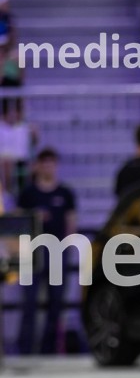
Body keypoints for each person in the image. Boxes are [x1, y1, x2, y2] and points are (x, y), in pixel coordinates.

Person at [17, 149, 76, 355]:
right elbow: (18, 221)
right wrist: (34, 217)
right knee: (29, 302)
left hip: (56, 249)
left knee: (56, 303)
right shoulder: (28, 194)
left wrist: (66, 246)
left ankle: (48, 350)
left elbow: (71, 222)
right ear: (38, 166)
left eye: (52, 163)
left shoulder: (65, 193)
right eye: (45, 163)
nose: (49, 167)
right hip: (32, 250)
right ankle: (25, 349)